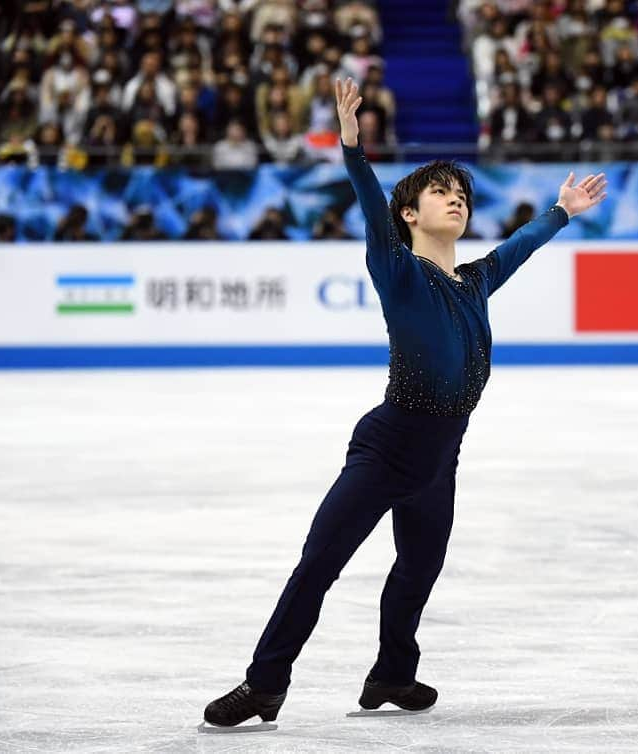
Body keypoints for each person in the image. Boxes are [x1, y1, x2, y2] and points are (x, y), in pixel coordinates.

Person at [202, 77, 607, 729]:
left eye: (462, 194)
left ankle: (392, 673)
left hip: (440, 460)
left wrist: (561, 210)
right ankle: (263, 685)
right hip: (388, 447)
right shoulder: (398, 271)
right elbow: (369, 208)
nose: (457, 200)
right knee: (319, 568)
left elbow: (519, 249)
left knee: (417, 572)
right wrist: (353, 146)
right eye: (440, 193)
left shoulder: (475, 280)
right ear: (410, 214)